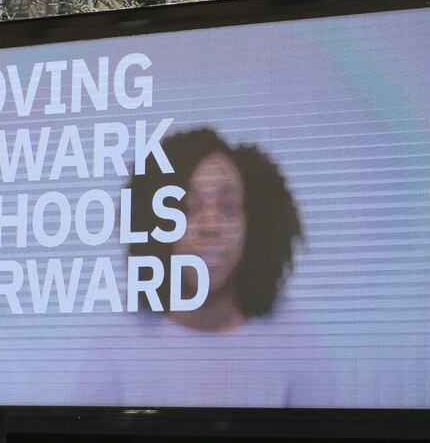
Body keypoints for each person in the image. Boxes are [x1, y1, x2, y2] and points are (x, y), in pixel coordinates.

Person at [130, 127, 303, 333]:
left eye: (229, 207)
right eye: (188, 207)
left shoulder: (291, 336)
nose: (210, 226)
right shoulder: (119, 342)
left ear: (256, 222)